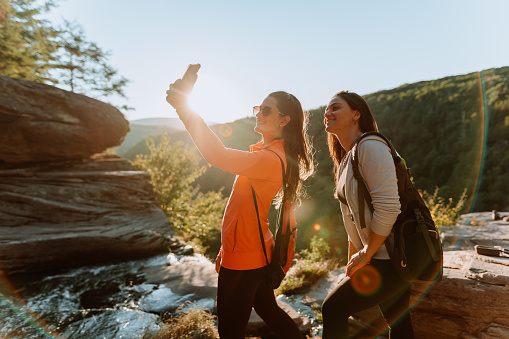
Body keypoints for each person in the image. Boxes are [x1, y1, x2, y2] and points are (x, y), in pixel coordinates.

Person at [166, 70, 314, 339]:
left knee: (230, 332)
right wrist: (226, 249)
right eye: (258, 107)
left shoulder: (270, 160)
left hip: (246, 256)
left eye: (266, 109)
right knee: (269, 310)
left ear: (284, 120)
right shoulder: (271, 155)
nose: (258, 113)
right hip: (252, 251)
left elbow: (216, 154)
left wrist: (183, 107)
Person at [321, 91, 415, 339]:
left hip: (391, 259)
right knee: (399, 323)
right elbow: (353, 219)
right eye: (326, 109)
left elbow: (389, 207)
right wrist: (353, 263)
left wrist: (366, 254)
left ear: (356, 114)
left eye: (335, 107)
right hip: (379, 256)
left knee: (332, 309)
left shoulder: (371, 146)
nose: (327, 112)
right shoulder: (346, 160)